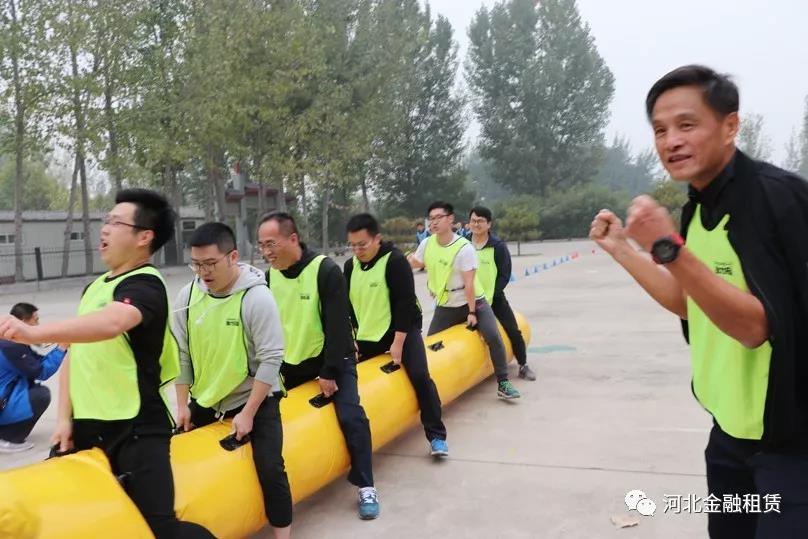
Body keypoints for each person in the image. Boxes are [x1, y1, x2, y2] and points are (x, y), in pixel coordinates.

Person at [589, 65, 808, 539]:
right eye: (660, 130)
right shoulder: (697, 209)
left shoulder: (775, 199)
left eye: (687, 125)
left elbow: (756, 328)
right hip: (730, 433)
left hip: (790, 444)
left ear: (730, 125)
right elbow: (693, 304)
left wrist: (668, 247)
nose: (672, 141)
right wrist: (623, 249)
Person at [0, 189, 213, 539]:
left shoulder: (146, 284)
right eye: (106, 220)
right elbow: (76, 355)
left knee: (159, 527)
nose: (104, 229)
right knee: (57, 516)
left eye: (115, 222)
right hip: (86, 427)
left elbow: (114, 322)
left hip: (137, 429)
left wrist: (33, 334)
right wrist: (64, 419)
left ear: (144, 237)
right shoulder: (94, 288)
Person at [256, 211, 379, 521]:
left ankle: (366, 485)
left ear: (292, 239)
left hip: (331, 358)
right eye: (261, 245)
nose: (266, 251)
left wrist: (329, 371)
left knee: (351, 416)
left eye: (271, 244)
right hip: (290, 363)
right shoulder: (269, 278)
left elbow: (338, 326)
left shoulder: (325, 270)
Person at [172, 223, 292, 538]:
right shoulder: (187, 296)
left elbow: (271, 359)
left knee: (270, 469)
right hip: (207, 398)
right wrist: (182, 406)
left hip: (254, 398)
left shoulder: (257, 298)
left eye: (210, 263)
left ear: (233, 257)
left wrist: (248, 413)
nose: (203, 272)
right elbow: (181, 354)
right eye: (196, 264)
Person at [343, 213, 448, 457]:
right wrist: (352, 339)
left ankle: (436, 435)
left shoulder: (395, 261)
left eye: (362, 244)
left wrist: (398, 343)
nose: (357, 250)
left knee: (420, 376)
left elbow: (405, 304)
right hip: (368, 333)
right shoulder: (350, 266)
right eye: (353, 245)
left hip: (401, 329)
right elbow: (347, 307)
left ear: (377, 238)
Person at [408, 201, 521, 400]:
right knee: (432, 344)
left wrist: (472, 312)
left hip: (474, 301)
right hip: (447, 303)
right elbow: (418, 262)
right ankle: (428, 389)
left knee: (493, 336)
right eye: (431, 219)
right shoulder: (427, 243)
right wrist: (402, 261)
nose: (434, 222)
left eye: (438, 218)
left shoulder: (464, 247)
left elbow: (469, 284)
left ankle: (503, 382)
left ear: (450, 219)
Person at [468, 206, 536, 381]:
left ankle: (523, 365)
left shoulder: (498, 247)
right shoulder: (463, 244)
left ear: (489, 224)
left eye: (480, 221)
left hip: (494, 298)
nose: (476, 224)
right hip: (468, 299)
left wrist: (490, 296)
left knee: (513, 330)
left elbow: (504, 275)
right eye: (473, 220)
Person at [0, 303, 66, 452]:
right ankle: (7, 437)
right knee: (40, 395)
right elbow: (41, 372)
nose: (37, 325)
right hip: (1, 402)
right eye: (35, 320)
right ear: (23, 321)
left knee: (32, 389)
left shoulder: (10, 341)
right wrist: (61, 348)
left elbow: (36, 362)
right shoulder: (11, 348)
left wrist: (57, 346)